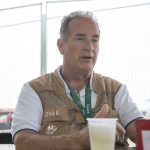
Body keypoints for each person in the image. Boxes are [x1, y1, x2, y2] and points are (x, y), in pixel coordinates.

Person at [11, 11, 144, 150]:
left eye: (95, 40)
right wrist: (78, 141)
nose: (90, 47)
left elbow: (142, 133)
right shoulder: (35, 90)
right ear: (61, 45)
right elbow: (23, 142)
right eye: (80, 38)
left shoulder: (116, 90)